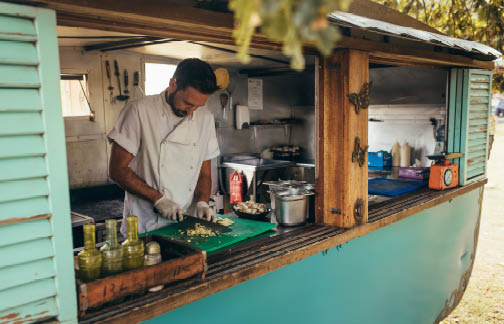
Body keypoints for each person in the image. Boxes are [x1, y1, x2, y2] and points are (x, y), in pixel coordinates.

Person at [108, 58, 220, 236]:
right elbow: (117, 170)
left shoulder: (205, 118)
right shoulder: (139, 111)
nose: (191, 112)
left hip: (186, 225)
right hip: (147, 224)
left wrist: (203, 202)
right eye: (188, 103)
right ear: (173, 84)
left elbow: (204, 172)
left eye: (198, 106)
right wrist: (158, 199)